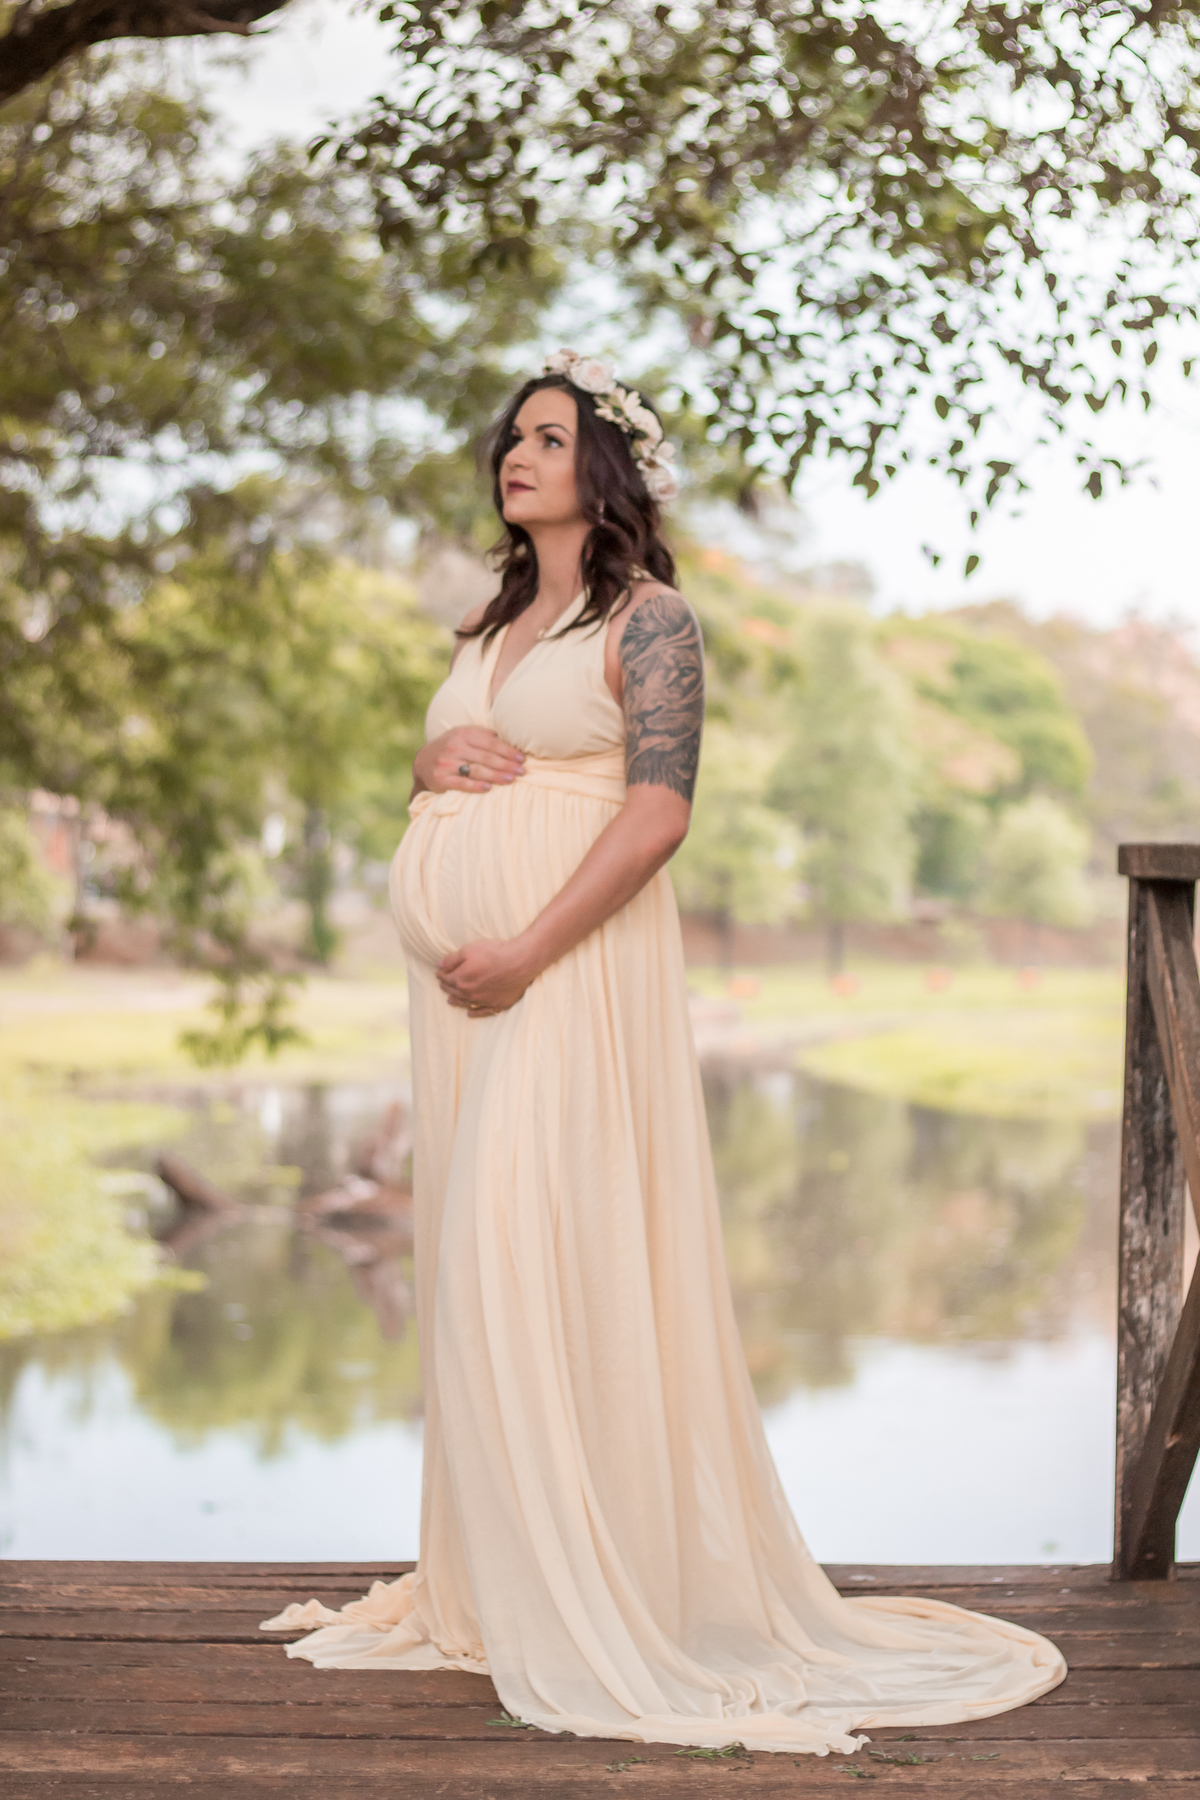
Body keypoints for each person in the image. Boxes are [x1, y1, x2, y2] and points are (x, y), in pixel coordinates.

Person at [262, 350, 1066, 1754]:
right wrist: (424, 774)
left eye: (552, 437)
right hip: (463, 1009)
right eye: (513, 437)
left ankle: (605, 1588)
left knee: (531, 1253)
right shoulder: (487, 618)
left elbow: (655, 814)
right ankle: (511, 1582)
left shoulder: (652, 620)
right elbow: (460, 758)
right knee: (469, 1261)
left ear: (605, 469)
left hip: (569, 976)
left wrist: (523, 949)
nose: (520, 456)